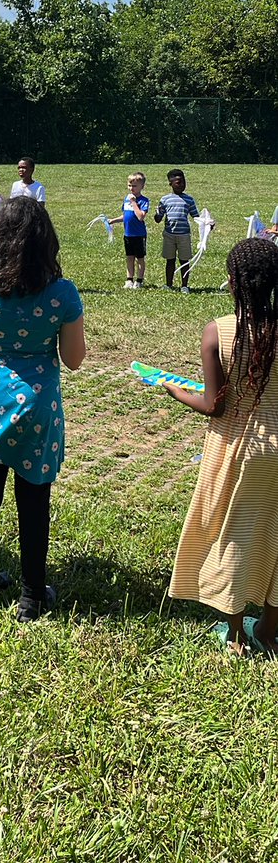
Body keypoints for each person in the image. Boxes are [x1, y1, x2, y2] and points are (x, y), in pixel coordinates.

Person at [0, 199, 85, 622]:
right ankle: (31, 595)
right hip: (38, 404)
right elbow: (74, 358)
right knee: (33, 498)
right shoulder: (63, 293)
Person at [166, 237, 278, 657]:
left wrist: (177, 391)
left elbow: (215, 405)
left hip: (236, 450)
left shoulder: (220, 329)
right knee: (276, 536)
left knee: (234, 535)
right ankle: (268, 631)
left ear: (232, 282)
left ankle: (234, 636)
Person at [153, 168, 199, 293]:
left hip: (184, 235)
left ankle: (184, 285)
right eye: (178, 183)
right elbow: (158, 219)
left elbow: (196, 216)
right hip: (169, 234)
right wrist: (157, 214)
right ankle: (169, 284)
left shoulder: (189, 199)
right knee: (170, 260)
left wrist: (207, 223)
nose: (182, 185)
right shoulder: (165, 199)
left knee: (184, 260)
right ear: (170, 184)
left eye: (184, 182)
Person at [108, 172, 149, 289]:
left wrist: (133, 202)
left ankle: (139, 280)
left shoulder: (143, 201)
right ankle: (129, 279)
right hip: (128, 234)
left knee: (140, 258)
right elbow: (125, 216)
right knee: (129, 257)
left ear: (142, 186)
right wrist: (113, 220)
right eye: (129, 186)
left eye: (135, 186)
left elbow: (140, 216)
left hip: (139, 235)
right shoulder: (127, 199)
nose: (132, 188)